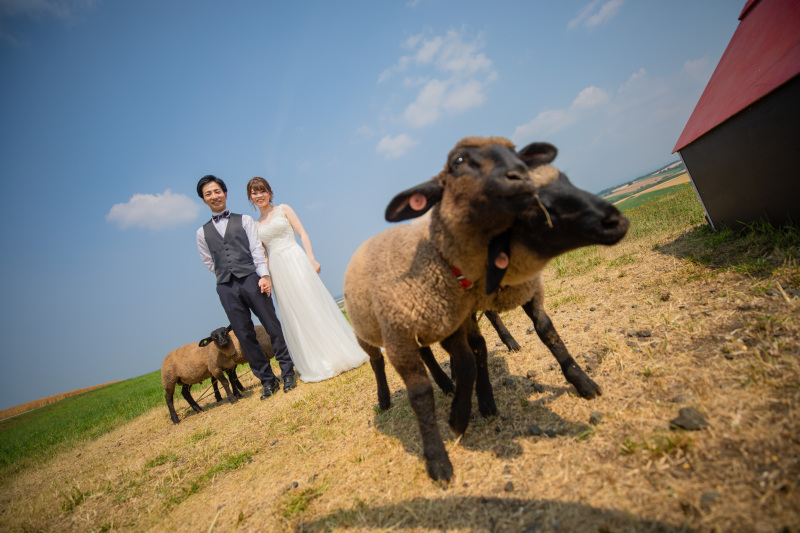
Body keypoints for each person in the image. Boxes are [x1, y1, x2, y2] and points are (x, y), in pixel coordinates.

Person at [246, 177, 368, 382]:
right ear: (250, 198)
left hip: (296, 258)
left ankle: (337, 351)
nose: (259, 196)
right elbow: (264, 255)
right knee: (294, 312)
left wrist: (311, 258)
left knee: (312, 302)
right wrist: (266, 276)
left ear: (269, 192)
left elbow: (302, 233)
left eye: (262, 191)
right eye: (255, 193)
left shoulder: (284, 209)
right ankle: (316, 360)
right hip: (278, 269)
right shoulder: (256, 225)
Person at [196, 175, 296, 399]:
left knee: (272, 325)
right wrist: (226, 274)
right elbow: (208, 261)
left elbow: (256, 250)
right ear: (204, 200)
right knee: (244, 335)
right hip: (226, 287)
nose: (214, 196)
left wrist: (264, 275)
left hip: (252, 278)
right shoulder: (201, 233)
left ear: (225, 194)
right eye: (208, 194)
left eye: (217, 191)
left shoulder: (245, 220)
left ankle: (288, 372)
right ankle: (267, 380)